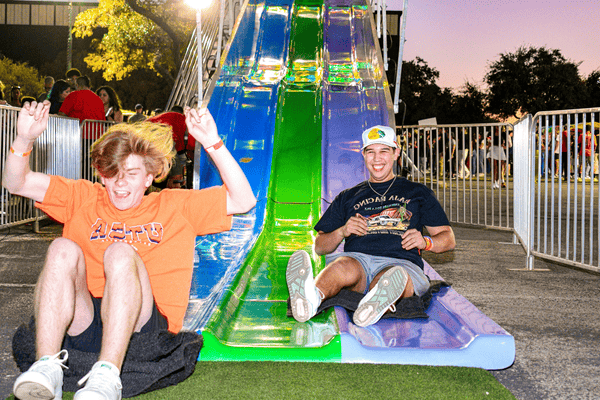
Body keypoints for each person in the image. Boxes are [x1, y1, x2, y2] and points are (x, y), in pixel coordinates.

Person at [5, 101, 256, 400]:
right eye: (113, 172)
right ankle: (48, 368)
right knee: (61, 248)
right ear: (101, 174)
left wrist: (212, 142)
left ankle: (108, 375)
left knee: (119, 253)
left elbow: (244, 200)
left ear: (149, 178)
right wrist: (24, 139)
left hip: (143, 328)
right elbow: (16, 183)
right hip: (84, 323)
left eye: (132, 173)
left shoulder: (175, 205)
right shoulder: (83, 196)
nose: (120, 182)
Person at [286, 125, 455, 327]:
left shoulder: (417, 192)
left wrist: (426, 242)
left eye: (384, 151)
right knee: (340, 266)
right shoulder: (348, 196)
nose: (377, 159)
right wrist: (342, 231)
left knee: (393, 276)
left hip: (401, 262)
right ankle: (309, 300)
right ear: (363, 155)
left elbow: (448, 238)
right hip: (358, 261)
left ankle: (375, 302)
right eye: (371, 152)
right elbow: (320, 246)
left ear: (396, 153)